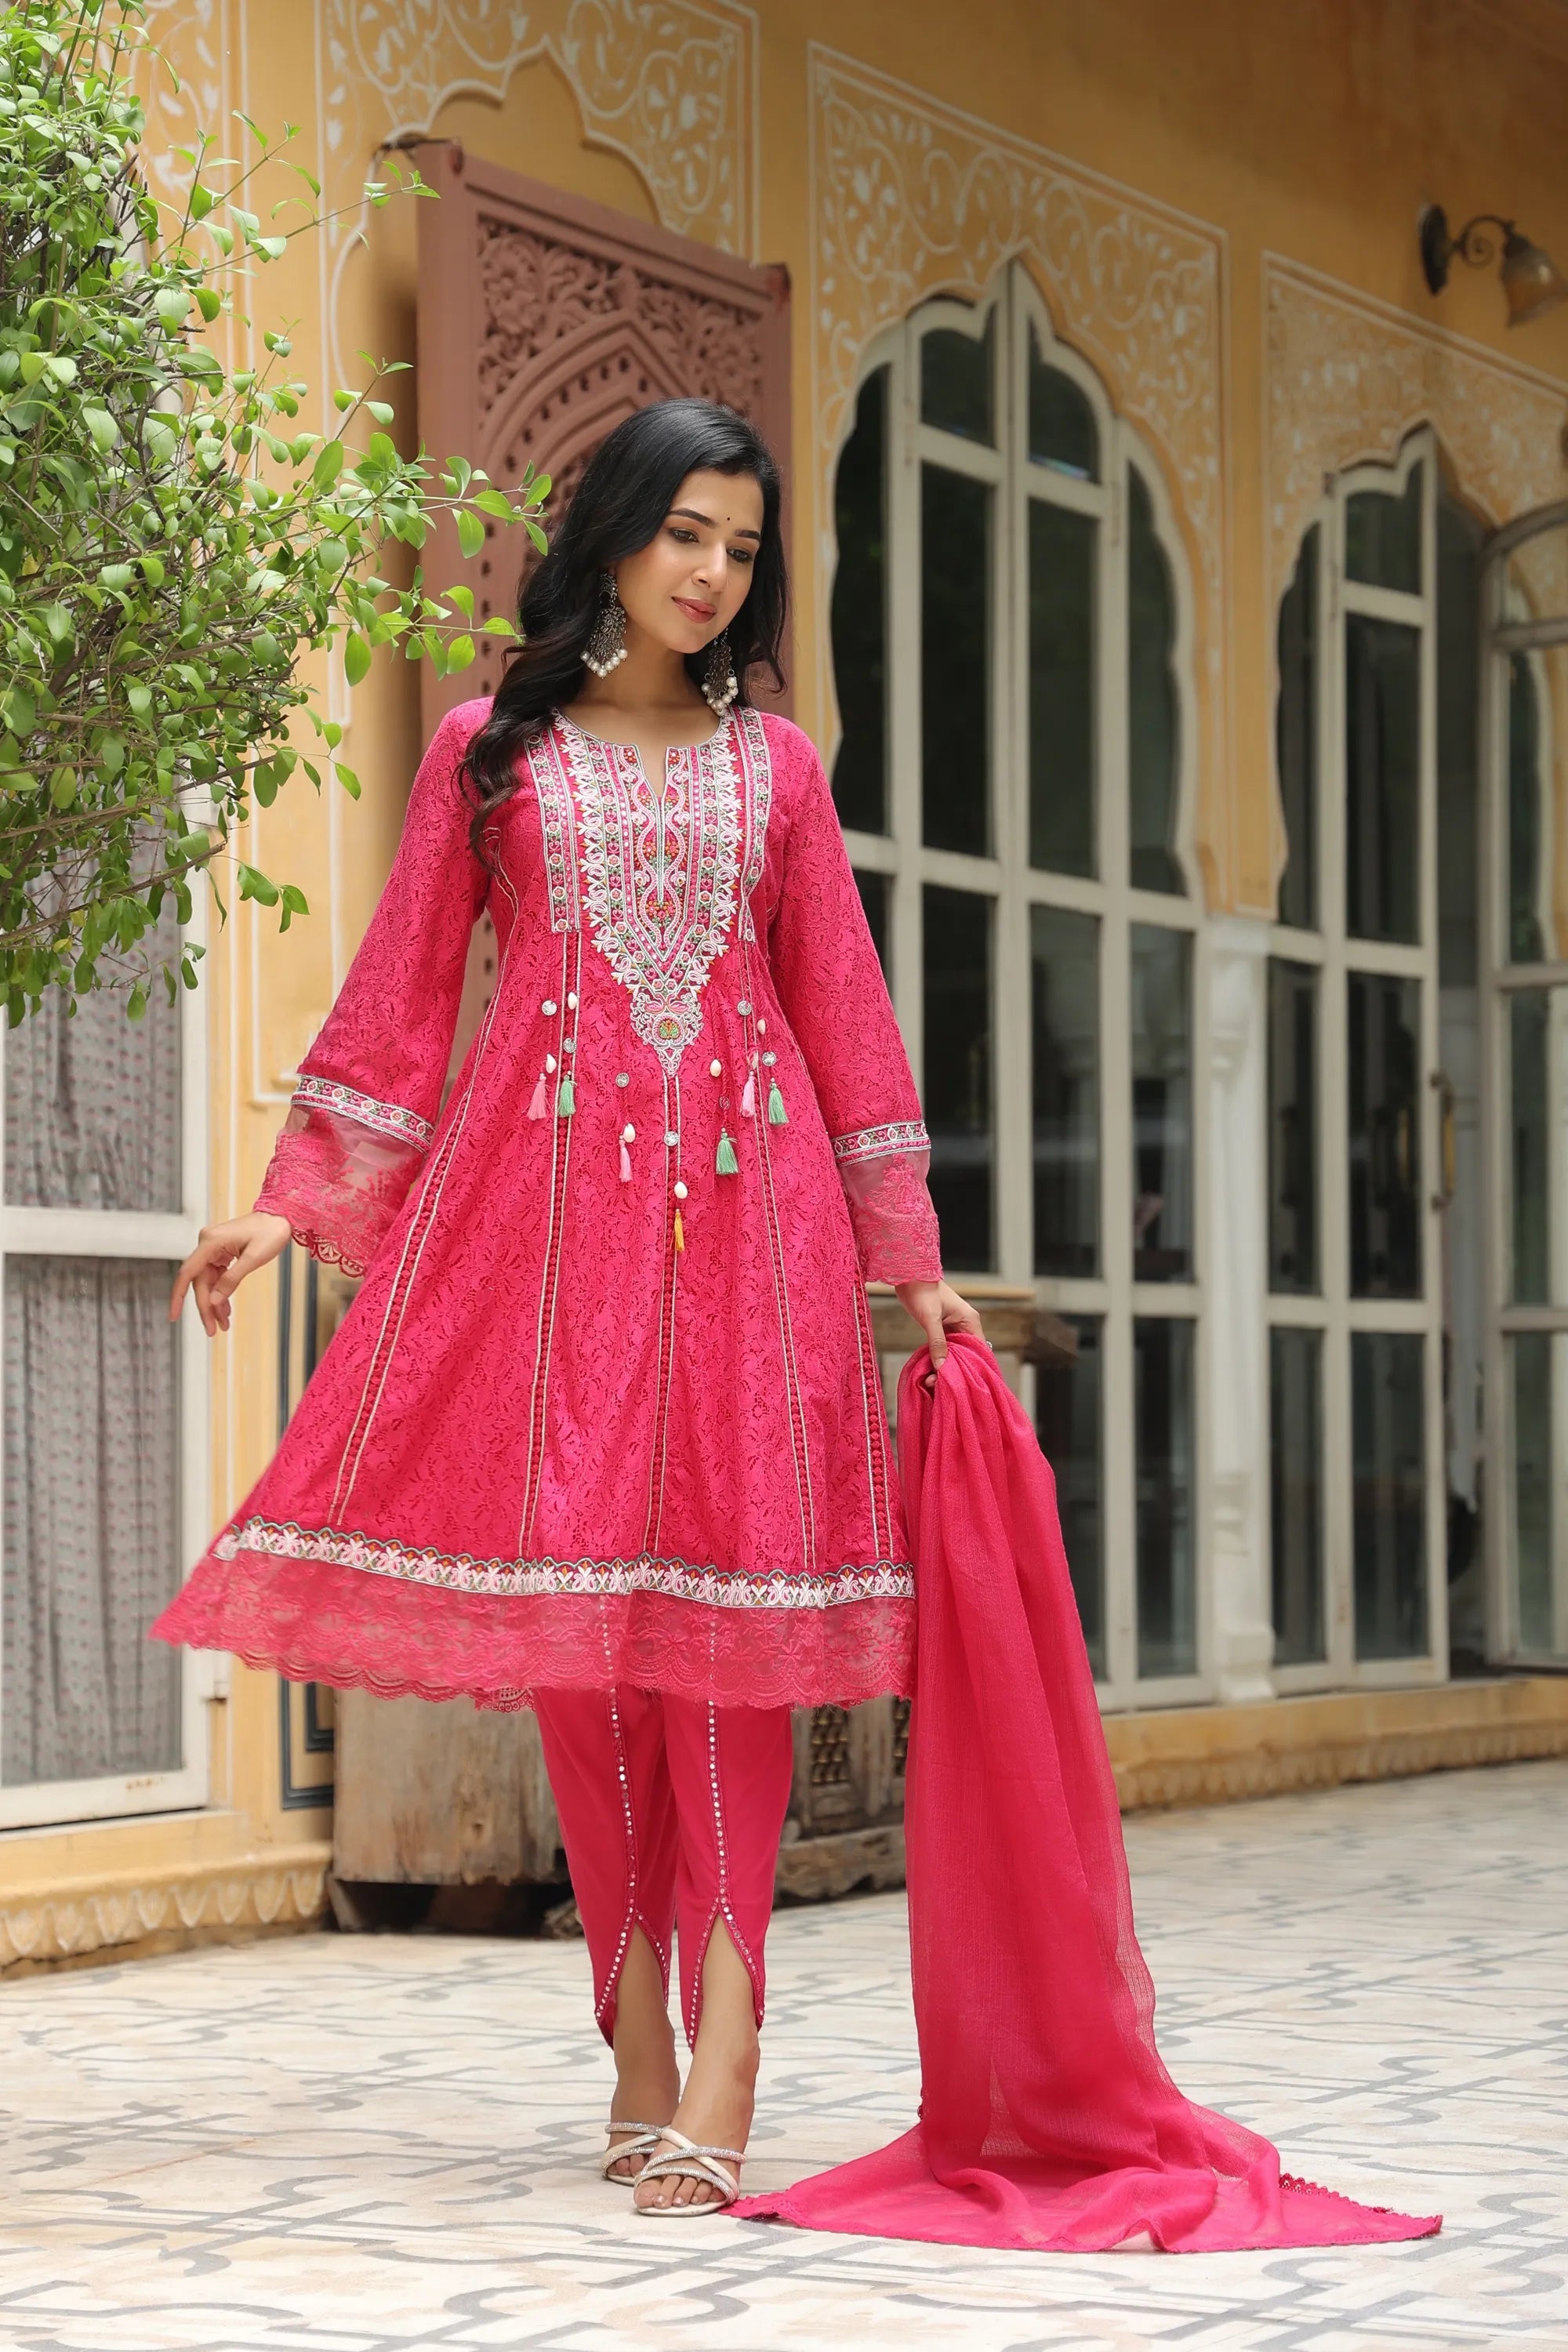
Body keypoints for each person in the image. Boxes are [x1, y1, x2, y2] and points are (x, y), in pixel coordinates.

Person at [155, 397, 981, 2217]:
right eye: (686, 531)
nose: (711, 573)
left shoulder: (779, 775)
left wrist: (908, 1260)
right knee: (580, 1645)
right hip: (540, 1245)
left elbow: (840, 1007)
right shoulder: (492, 753)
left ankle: (736, 2034)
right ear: (611, 533)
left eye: (743, 549)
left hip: (751, 1233)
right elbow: (391, 1006)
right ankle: (630, 2021)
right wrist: (288, 1211)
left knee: (734, 1629)